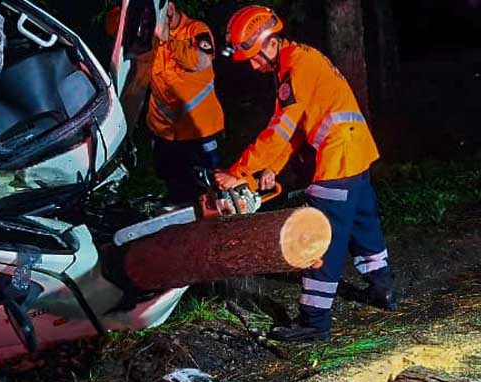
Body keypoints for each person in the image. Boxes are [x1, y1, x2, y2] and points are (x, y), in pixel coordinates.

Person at [215, 5, 397, 342]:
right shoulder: (299, 62)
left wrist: (238, 172)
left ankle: (314, 321)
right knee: (362, 223)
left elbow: (279, 130)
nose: (254, 66)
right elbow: (294, 130)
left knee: (319, 238)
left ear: (270, 41)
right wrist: (268, 169)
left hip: (336, 160)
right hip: (354, 155)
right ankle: (382, 289)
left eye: (255, 57)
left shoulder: (296, 68)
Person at [146, 2, 225, 204]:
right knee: (174, 186)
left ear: (169, 7)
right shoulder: (147, 31)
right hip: (165, 131)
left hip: (200, 130)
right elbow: (114, 27)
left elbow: (201, 61)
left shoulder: (197, 30)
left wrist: (169, 40)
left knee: (212, 188)